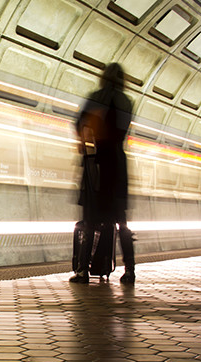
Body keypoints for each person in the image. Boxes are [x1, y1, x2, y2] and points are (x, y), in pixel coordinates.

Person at [70, 63, 135, 284]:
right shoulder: (127, 101)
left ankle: (82, 271)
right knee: (121, 221)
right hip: (118, 161)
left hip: (98, 162)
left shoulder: (96, 97)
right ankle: (130, 271)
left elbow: (79, 123)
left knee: (90, 219)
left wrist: (84, 144)